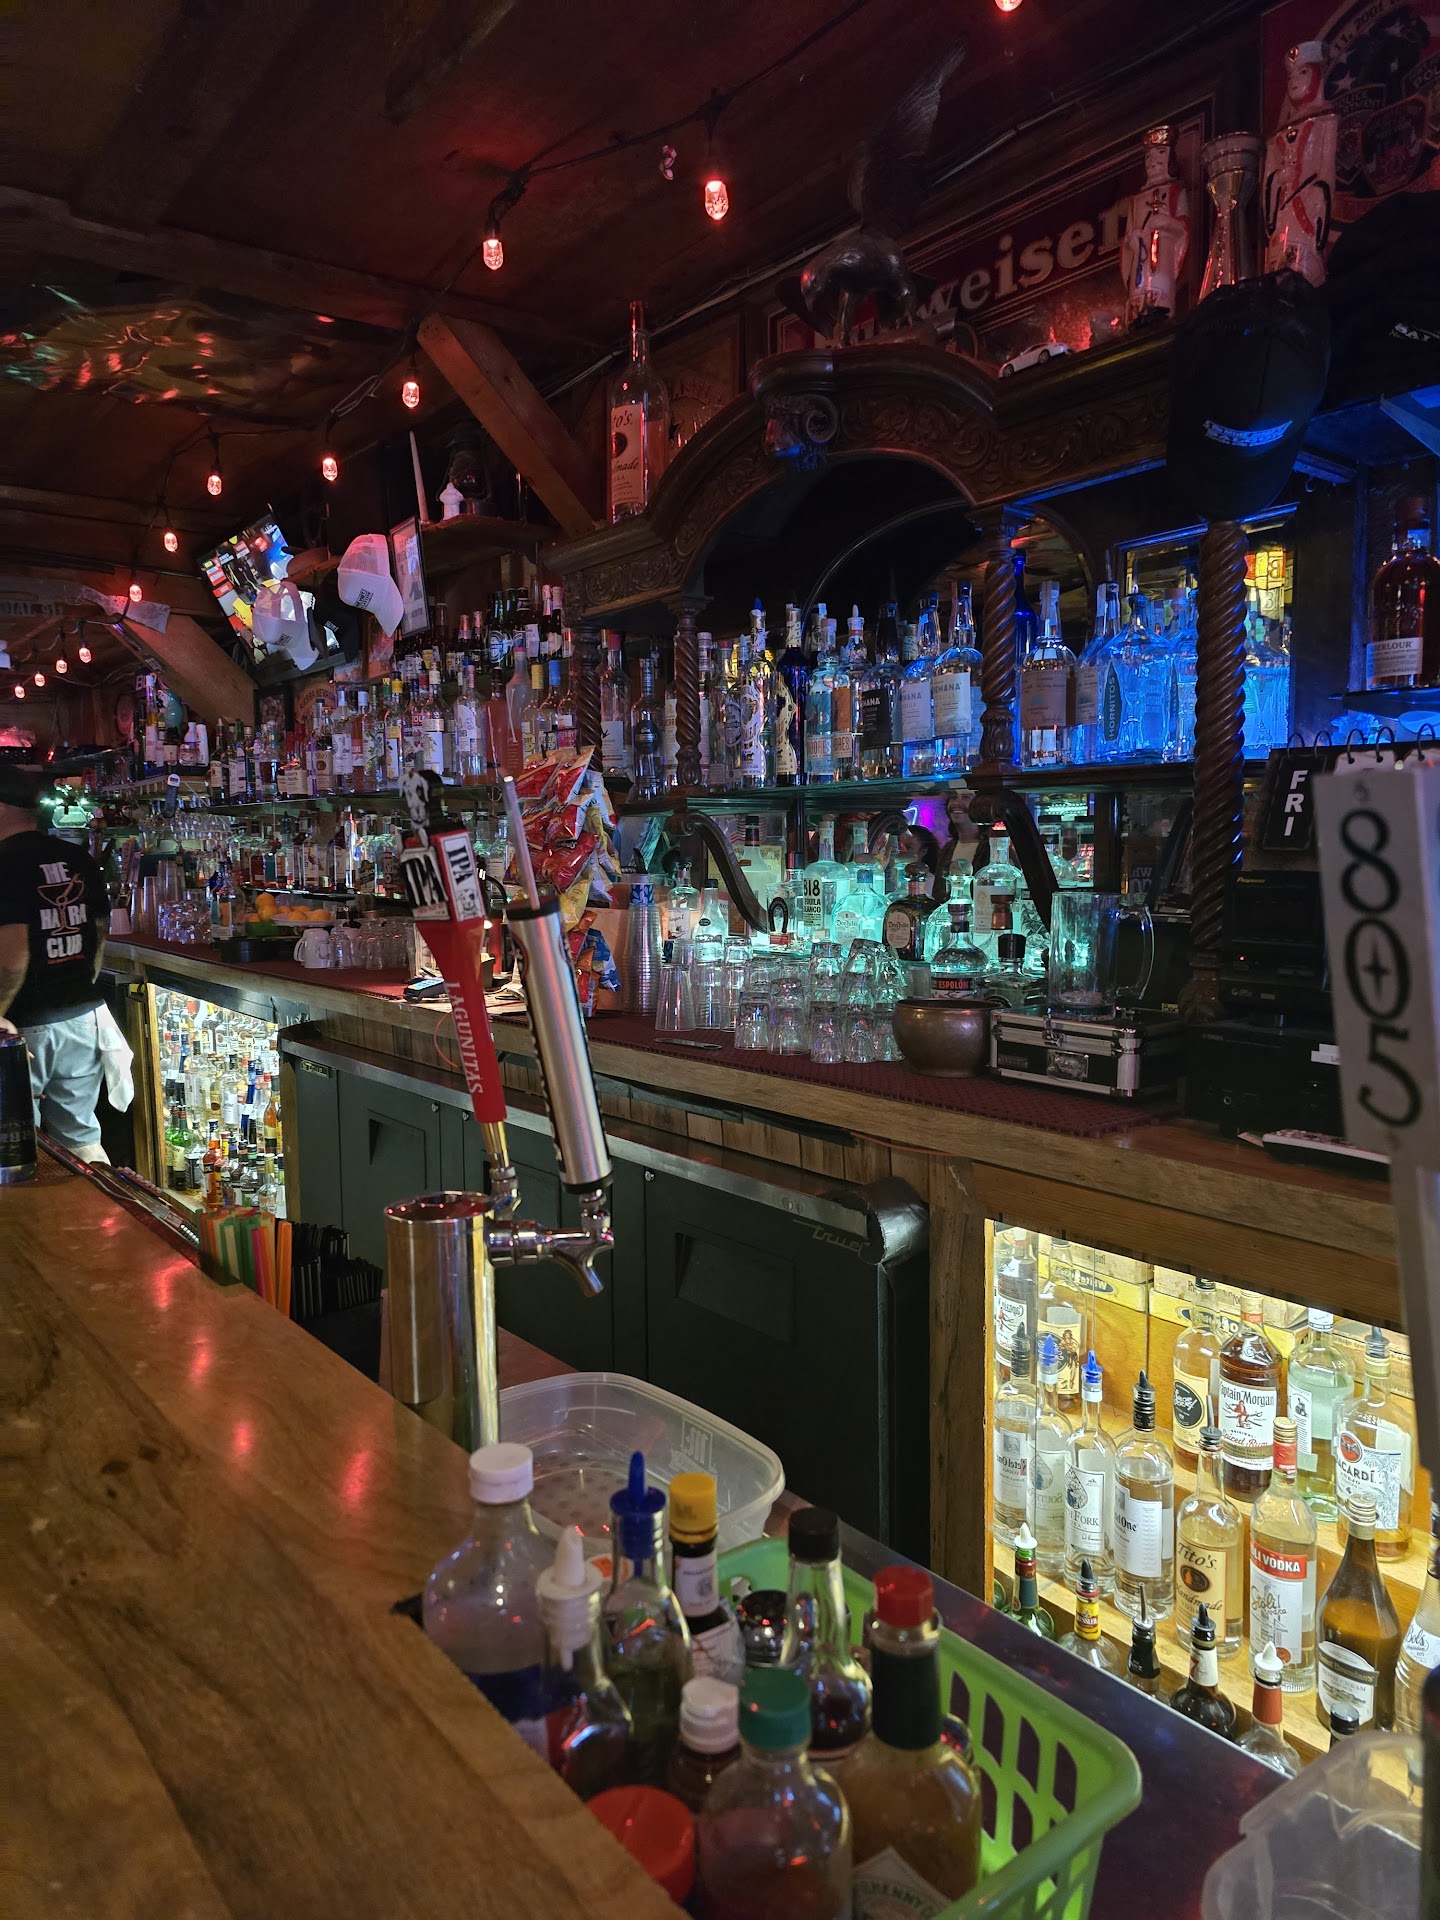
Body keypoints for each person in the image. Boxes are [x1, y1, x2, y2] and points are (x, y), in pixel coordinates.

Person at [0, 763, 113, 1161]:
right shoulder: (76, 856)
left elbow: (13, 953)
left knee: (17, 1143)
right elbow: (99, 931)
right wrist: (80, 983)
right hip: (83, 1015)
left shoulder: (4, 863)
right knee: (79, 1135)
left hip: (21, 1023)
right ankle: (102, 1201)